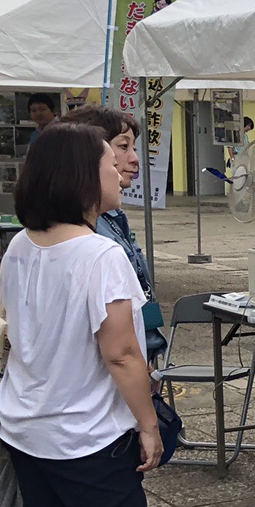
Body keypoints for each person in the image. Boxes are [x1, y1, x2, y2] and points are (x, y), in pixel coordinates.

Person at [0, 124, 203, 507]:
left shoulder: (22, 245)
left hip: (28, 427)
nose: (120, 170)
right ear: (82, 179)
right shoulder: (100, 254)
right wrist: (149, 424)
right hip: (88, 433)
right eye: (109, 163)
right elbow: (121, 355)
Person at [57, 105, 166, 360]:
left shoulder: (112, 216)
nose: (134, 159)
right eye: (123, 146)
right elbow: (118, 352)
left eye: (134, 148)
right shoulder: (84, 231)